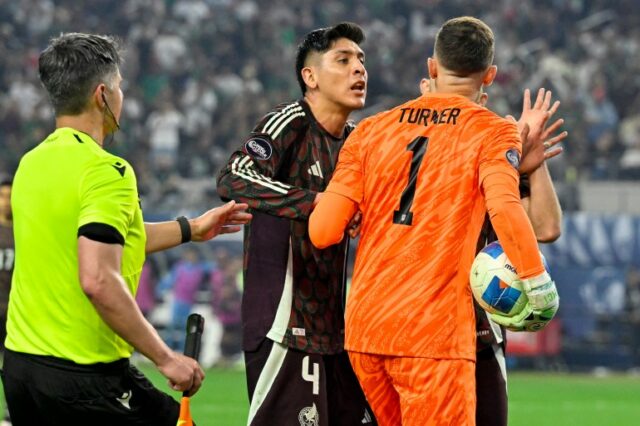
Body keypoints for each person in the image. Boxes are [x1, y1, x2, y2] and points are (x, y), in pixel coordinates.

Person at [309, 16, 560, 426]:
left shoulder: (371, 130)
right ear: (490, 76)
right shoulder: (492, 131)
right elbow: (504, 207)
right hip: (434, 335)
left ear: (431, 68)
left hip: (367, 331)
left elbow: (322, 232)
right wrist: (535, 280)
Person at [2, 33, 251, 426]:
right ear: (102, 95)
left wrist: (192, 228)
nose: (123, 97)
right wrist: (166, 358)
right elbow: (99, 278)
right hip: (81, 374)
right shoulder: (107, 171)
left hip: (21, 368)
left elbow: (107, 241)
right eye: (120, 87)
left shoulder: (30, 165)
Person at [217, 22, 376, 426]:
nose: (359, 69)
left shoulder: (360, 141)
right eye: (343, 60)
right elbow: (233, 177)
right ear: (310, 77)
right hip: (282, 326)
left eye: (361, 60)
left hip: (338, 332)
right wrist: (316, 202)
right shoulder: (290, 122)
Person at [421, 79, 567, 426]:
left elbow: (546, 229)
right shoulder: (405, 152)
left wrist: (532, 165)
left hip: (479, 333)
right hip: (422, 328)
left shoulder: (493, 160)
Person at [0, 177, 14, 426]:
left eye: (10, 196)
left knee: (16, 367)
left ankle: (12, 413)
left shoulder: (24, 230)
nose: (6, 202)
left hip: (16, 308)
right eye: (2, 196)